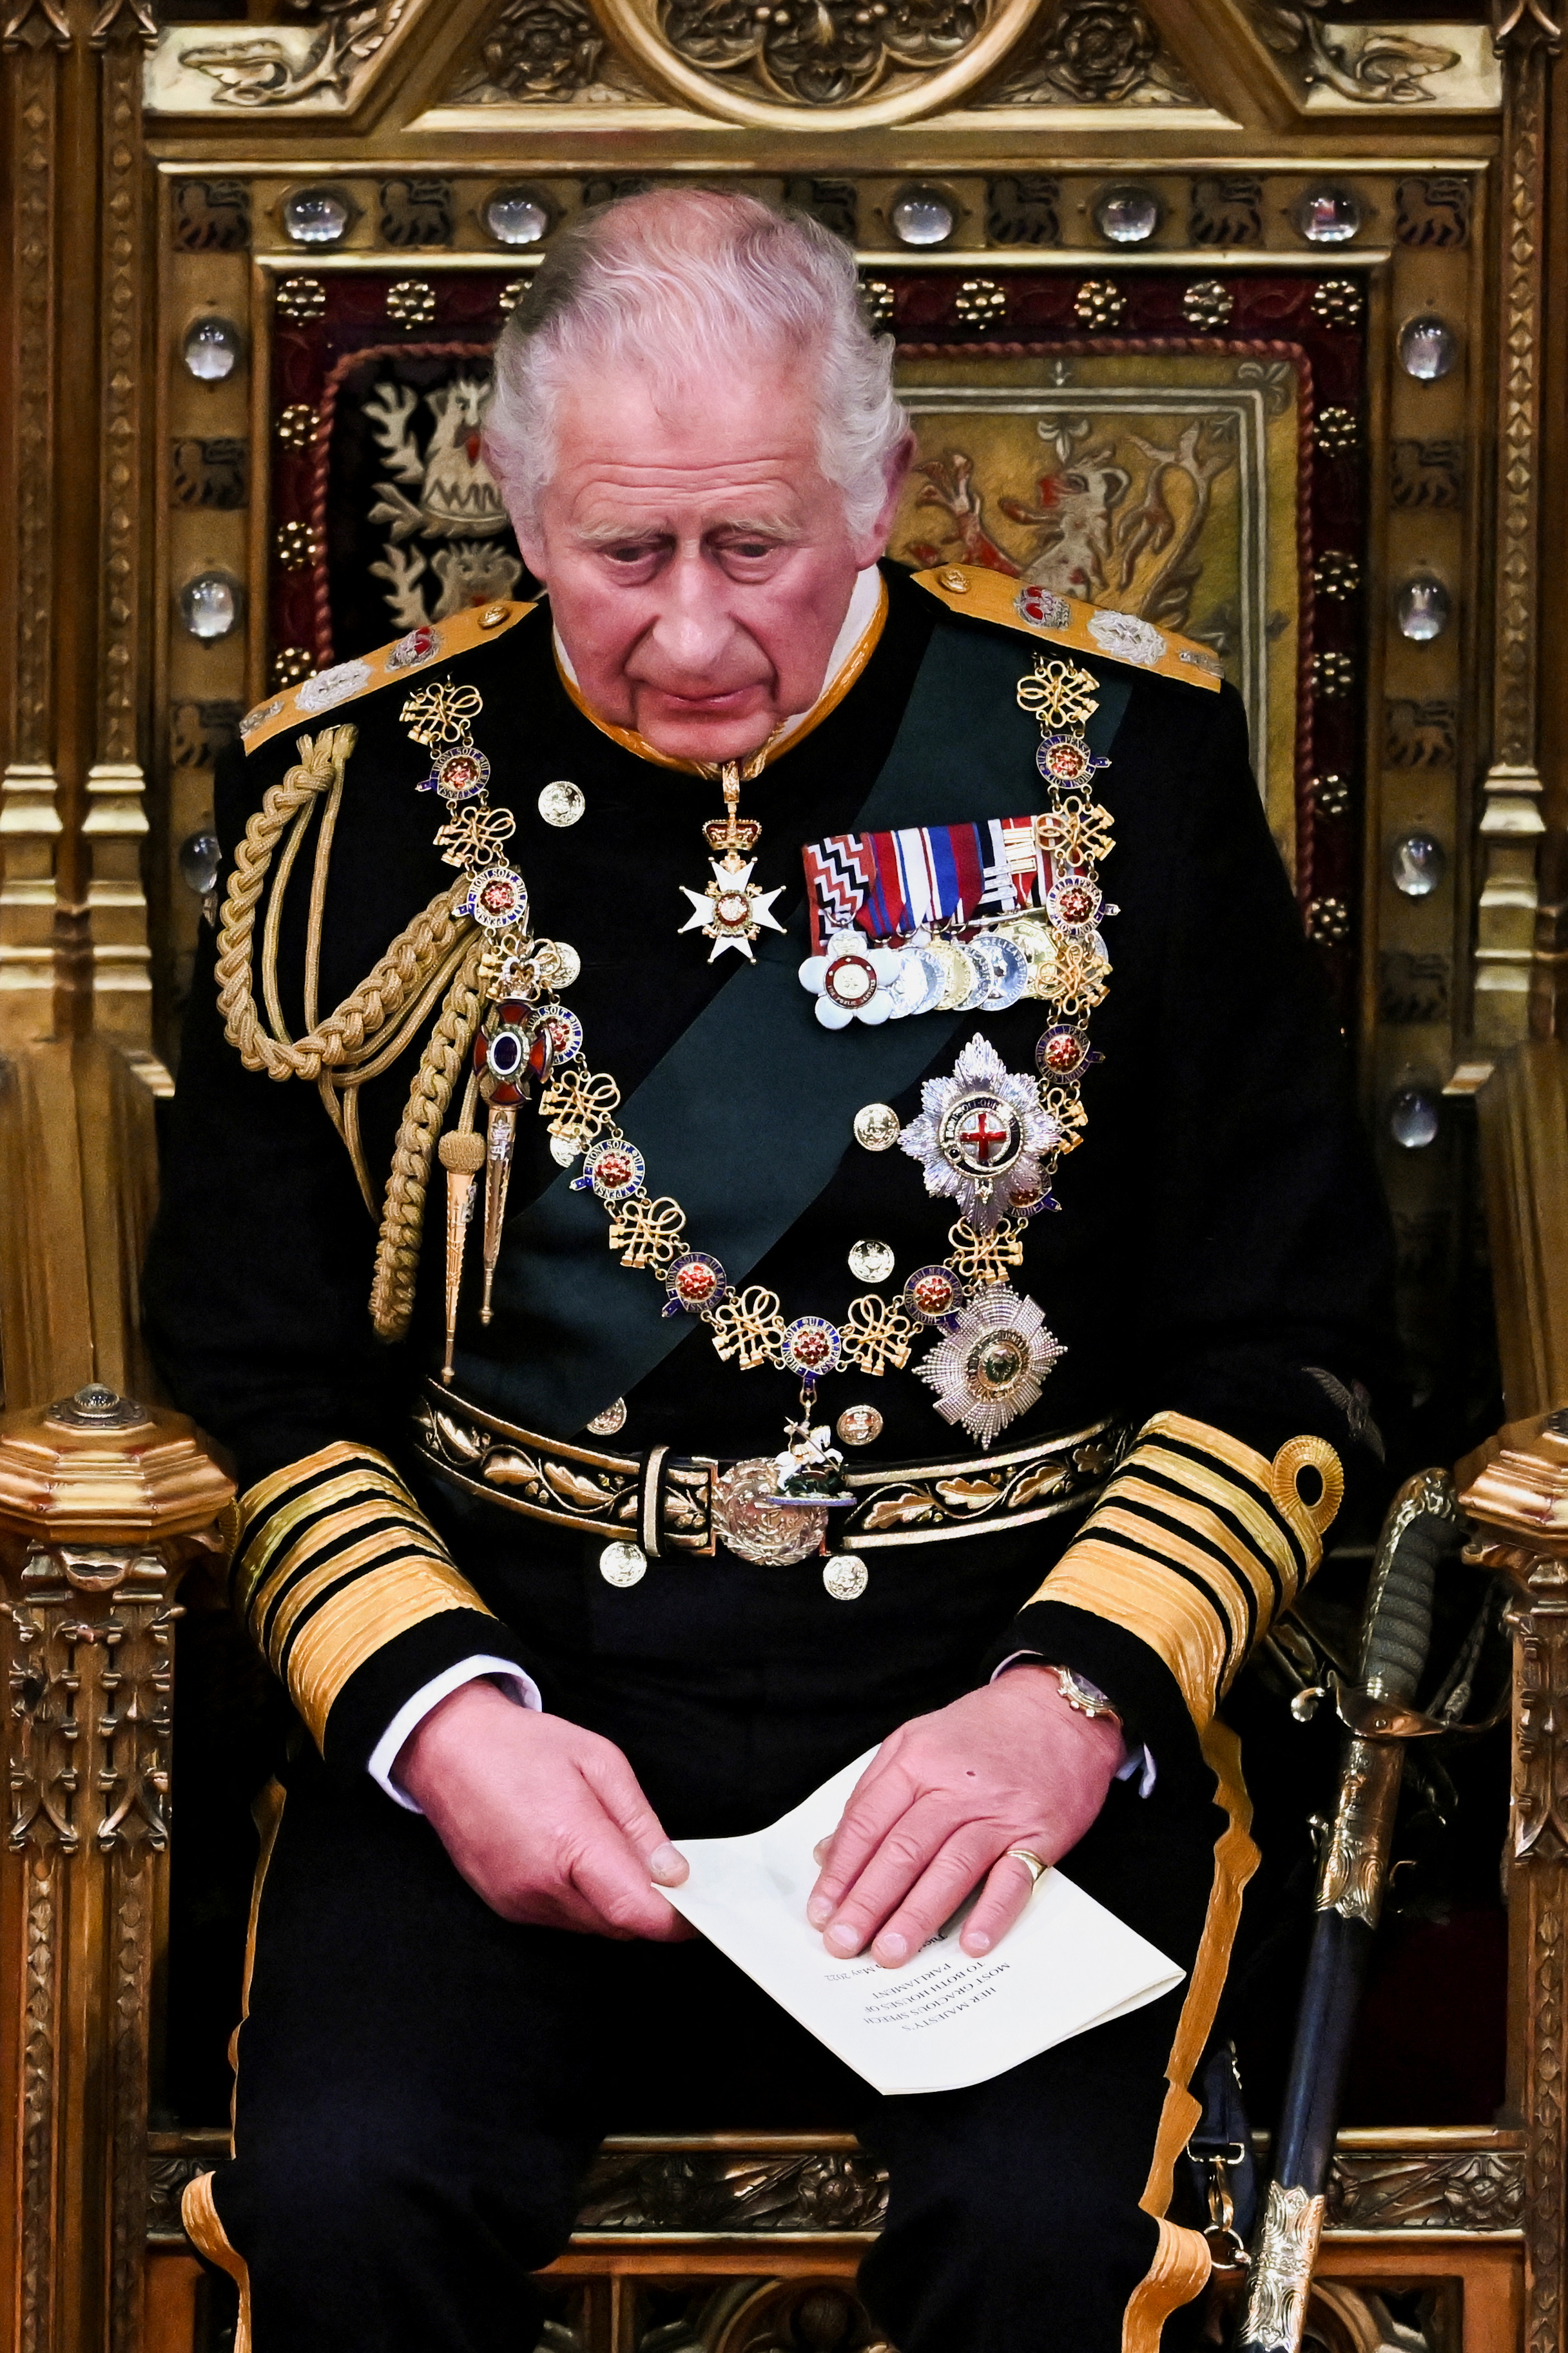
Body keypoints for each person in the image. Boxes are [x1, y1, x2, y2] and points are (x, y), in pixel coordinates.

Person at [144, 186, 1394, 2353]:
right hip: (520, 1683)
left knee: (1042, 2243)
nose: (697, 635)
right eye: (625, 557)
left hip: (982, 1679)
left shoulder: (1122, 765)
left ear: (882, 491)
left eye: (757, 548)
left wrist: (1062, 1700)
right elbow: (260, 1366)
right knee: (344, 2201)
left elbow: (1291, 1339)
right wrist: (444, 1723)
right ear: (518, 506)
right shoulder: (335, 803)